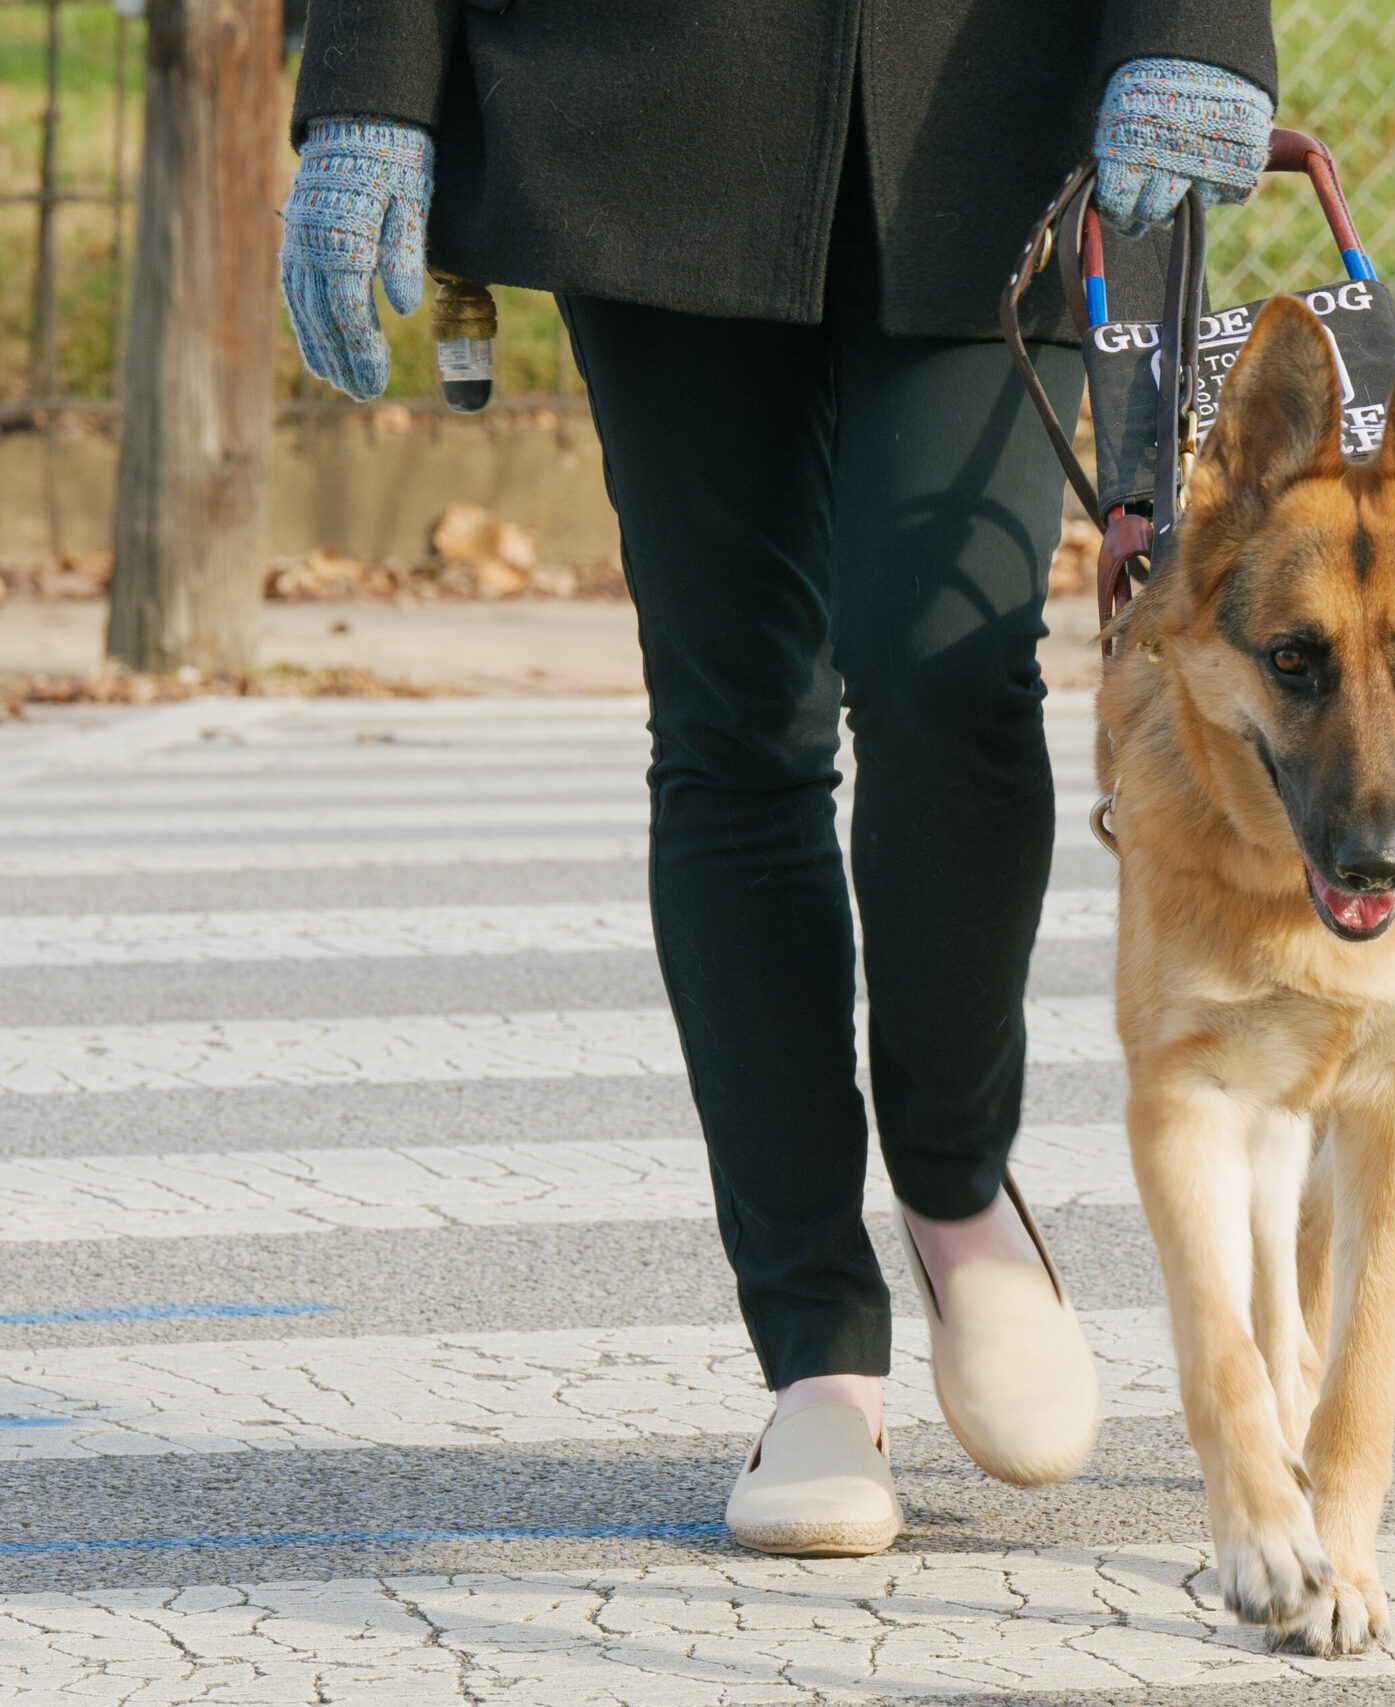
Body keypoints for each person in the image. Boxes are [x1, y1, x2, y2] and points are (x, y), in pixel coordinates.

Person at [280, 2, 1278, 1557]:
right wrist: (369, 90)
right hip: (649, 93)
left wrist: (1198, 20)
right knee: (738, 726)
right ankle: (817, 1353)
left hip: (998, 93)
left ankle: (958, 1197)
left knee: (949, 668)